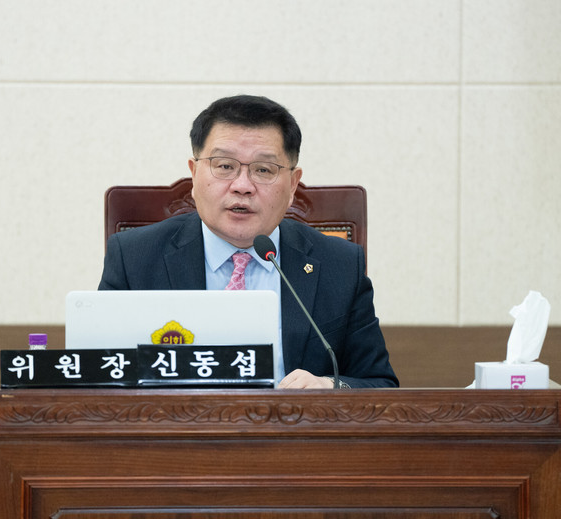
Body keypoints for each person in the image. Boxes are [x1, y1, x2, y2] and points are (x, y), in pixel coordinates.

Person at [99, 95, 398, 389]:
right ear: (194, 174)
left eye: (263, 170)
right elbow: (99, 376)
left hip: (293, 423)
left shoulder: (340, 265)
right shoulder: (134, 258)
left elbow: (380, 385)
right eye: (224, 166)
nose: (242, 186)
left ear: (293, 185)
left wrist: (329, 386)